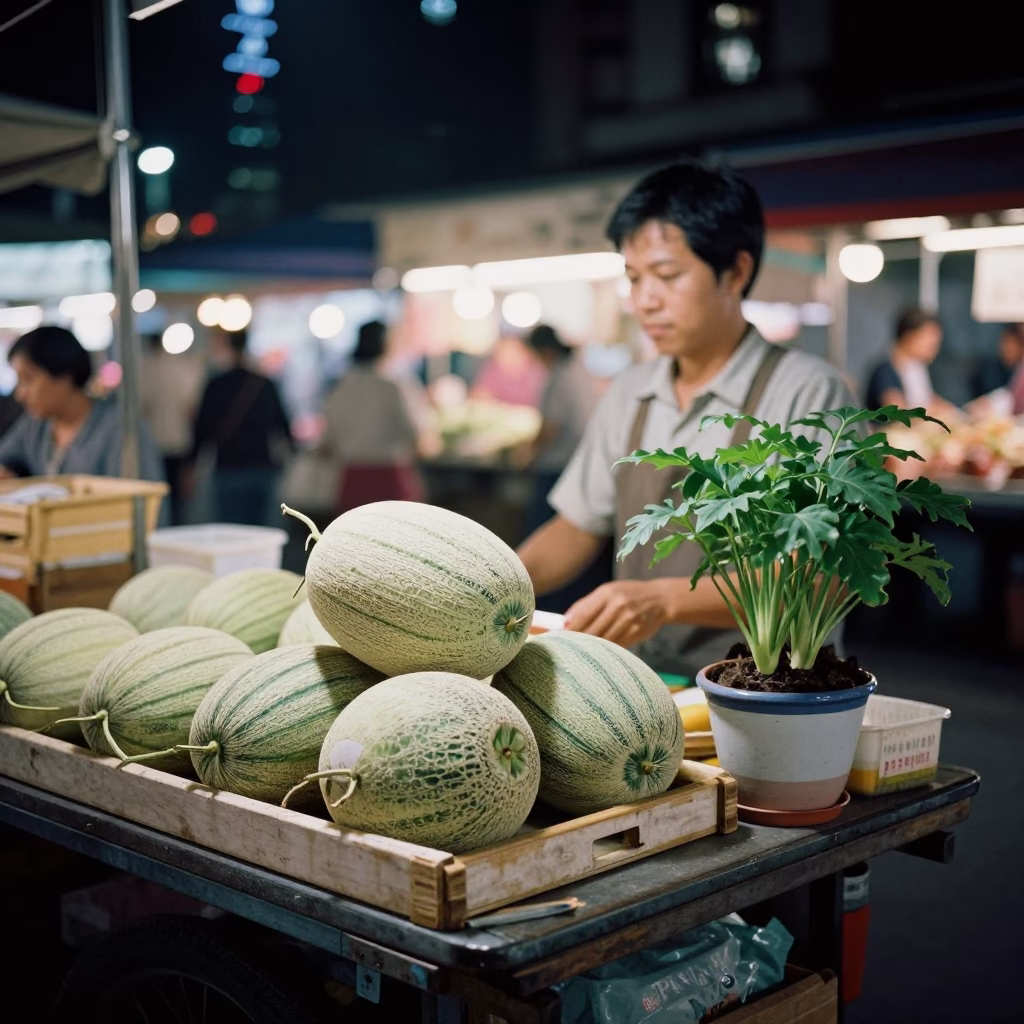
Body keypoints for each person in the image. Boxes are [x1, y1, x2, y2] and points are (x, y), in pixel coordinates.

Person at [516, 159, 855, 677]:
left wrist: (662, 600)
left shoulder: (809, 392)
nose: (645, 300)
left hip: (769, 693)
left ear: (736, 272)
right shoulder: (631, 392)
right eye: (633, 278)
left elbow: (820, 575)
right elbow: (577, 526)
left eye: (667, 275)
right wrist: (495, 583)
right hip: (644, 685)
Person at [0, 325, 163, 481]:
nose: (20, 394)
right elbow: (6, 457)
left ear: (64, 374)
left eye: (28, 379)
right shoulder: (35, 427)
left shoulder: (120, 431)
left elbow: (146, 503)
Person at [188, 327, 293, 526]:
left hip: (228, 467)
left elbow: (202, 429)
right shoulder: (264, 384)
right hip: (262, 467)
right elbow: (282, 425)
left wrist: (191, 465)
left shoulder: (216, 385)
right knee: (261, 531)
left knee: (232, 532)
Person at [320, 320, 426, 515]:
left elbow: (328, 439)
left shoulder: (342, 387)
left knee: (354, 541)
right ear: (386, 344)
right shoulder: (394, 386)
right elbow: (417, 432)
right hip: (389, 477)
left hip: (351, 478)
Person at [522, 324, 599, 536]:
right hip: (575, 462)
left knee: (546, 529)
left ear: (544, 350)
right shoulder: (578, 370)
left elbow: (550, 427)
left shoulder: (560, 378)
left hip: (558, 466)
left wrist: (529, 454)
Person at [139, 332, 204, 524]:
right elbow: (191, 408)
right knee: (179, 499)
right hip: (181, 440)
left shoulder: (146, 369)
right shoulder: (183, 368)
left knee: (156, 497)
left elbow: (140, 407)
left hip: (153, 441)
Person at [865, 309, 957, 419]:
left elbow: (929, 401)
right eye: (929, 342)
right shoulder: (885, 371)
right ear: (908, 336)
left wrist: (956, 413)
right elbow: (897, 411)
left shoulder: (918, 367)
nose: (934, 348)